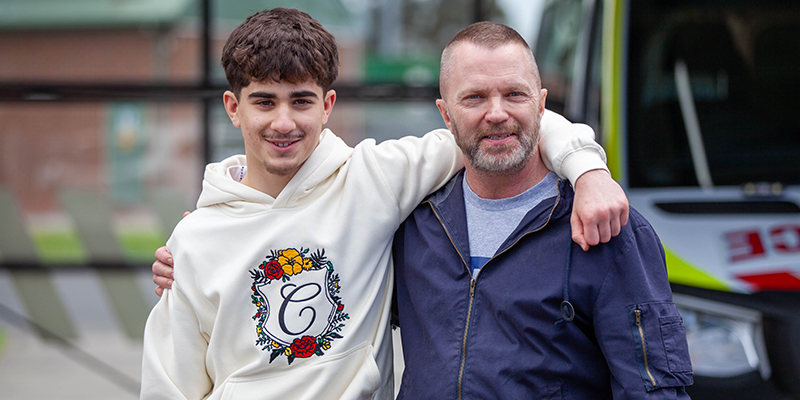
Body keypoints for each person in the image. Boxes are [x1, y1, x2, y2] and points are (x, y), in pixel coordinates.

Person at [142, 8, 628, 400]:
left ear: (328, 105)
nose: (284, 122)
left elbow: (509, 123)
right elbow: (169, 383)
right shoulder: (195, 239)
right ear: (233, 107)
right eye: (264, 102)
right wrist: (190, 247)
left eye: (302, 101)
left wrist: (589, 172)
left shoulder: (375, 178)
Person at [392, 21, 693, 399]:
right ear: (446, 114)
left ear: (542, 104)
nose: (497, 113)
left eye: (515, 94)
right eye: (474, 98)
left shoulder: (606, 225)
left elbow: (653, 391)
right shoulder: (414, 224)